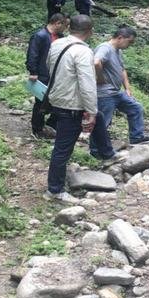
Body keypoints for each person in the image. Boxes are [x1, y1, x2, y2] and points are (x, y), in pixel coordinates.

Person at [45, 14, 115, 201]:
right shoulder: (83, 52)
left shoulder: (57, 44)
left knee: (99, 116)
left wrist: (94, 113)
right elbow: (87, 84)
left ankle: (107, 153)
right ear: (90, 31)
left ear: (69, 28)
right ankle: (54, 190)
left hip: (57, 98)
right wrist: (90, 111)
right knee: (62, 149)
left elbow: (49, 66)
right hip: (71, 104)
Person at [89, 25, 149, 157]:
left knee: (135, 108)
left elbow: (122, 70)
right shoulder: (105, 48)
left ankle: (136, 137)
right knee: (103, 123)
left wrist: (127, 89)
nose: (130, 45)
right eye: (129, 42)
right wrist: (100, 78)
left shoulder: (117, 51)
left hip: (116, 92)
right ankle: (96, 151)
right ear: (120, 38)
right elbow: (96, 62)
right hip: (105, 94)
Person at [26, 13, 67, 137]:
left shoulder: (61, 37)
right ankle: (37, 129)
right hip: (43, 74)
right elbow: (32, 54)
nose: (66, 28)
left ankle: (50, 125)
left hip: (56, 75)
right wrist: (33, 71)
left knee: (58, 101)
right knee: (41, 102)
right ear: (58, 23)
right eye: (65, 25)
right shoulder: (40, 36)